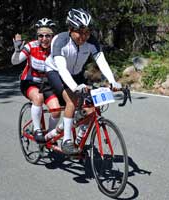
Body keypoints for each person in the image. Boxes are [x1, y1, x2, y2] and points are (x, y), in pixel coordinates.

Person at [46, 8, 121, 154]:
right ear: (70, 29)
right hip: (56, 72)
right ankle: (67, 141)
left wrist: (113, 81)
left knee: (91, 107)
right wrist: (75, 87)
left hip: (76, 73)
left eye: (87, 32)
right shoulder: (60, 40)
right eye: (79, 32)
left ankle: (79, 140)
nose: (84, 36)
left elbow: (101, 61)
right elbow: (62, 69)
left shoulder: (91, 41)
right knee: (72, 100)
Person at [11, 18, 61, 143]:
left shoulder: (57, 49)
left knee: (56, 110)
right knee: (38, 98)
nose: (44, 39)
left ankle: (49, 135)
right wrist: (17, 50)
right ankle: (37, 130)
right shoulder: (31, 46)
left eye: (47, 35)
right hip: (30, 82)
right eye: (40, 35)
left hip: (48, 84)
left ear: (52, 36)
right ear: (37, 36)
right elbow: (15, 61)